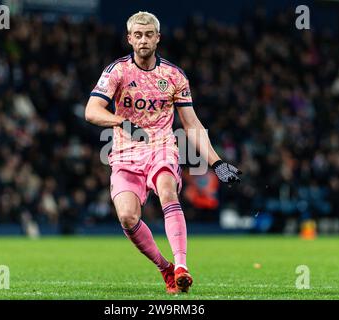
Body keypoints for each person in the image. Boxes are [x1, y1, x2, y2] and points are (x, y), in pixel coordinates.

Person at [85, 11, 241, 294]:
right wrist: (121, 121)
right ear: (129, 38)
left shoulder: (173, 75)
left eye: (149, 35)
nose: (143, 40)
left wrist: (217, 163)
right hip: (124, 153)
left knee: (168, 191)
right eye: (138, 35)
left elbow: (191, 123)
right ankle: (165, 268)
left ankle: (182, 265)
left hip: (161, 147)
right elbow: (92, 111)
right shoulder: (117, 71)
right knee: (127, 218)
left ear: (158, 38)